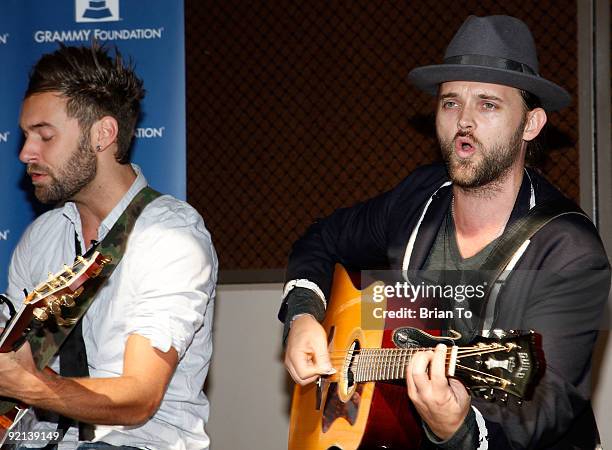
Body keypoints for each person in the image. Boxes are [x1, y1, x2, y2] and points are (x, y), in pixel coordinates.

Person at [279, 15, 610, 449]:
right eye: (451, 103)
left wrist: (459, 429)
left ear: (530, 124)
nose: (464, 123)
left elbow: (542, 410)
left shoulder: (568, 250)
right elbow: (321, 238)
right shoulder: (419, 198)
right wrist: (304, 314)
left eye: (488, 104)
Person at [0, 44, 217, 449]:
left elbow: (139, 397)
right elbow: (17, 363)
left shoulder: (171, 236)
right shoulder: (41, 238)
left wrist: (26, 385)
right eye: (26, 136)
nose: (26, 153)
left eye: (44, 135)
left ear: (102, 134)